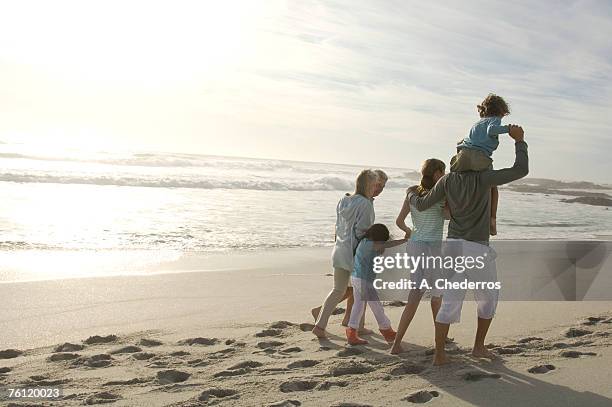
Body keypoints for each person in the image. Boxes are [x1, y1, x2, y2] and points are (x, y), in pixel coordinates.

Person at [408, 125, 528, 365]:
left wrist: (410, 194)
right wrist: (519, 141)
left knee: (449, 300)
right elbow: (520, 170)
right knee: (488, 298)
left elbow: (420, 204)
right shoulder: (484, 178)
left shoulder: (448, 179)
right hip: (477, 249)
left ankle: (440, 354)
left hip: (452, 247)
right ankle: (478, 347)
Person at [311, 169, 388, 330]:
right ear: (370, 184)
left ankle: (320, 325)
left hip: (339, 250)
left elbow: (338, 227)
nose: (378, 188)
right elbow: (362, 232)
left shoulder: (343, 200)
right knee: (360, 290)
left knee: (338, 290)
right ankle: (357, 326)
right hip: (355, 254)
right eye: (376, 184)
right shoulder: (365, 204)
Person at [390, 158, 449, 354]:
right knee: (436, 295)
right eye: (444, 172)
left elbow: (399, 221)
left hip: (414, 246)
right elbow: (449, 216)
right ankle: (441, 336)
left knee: (415, 295)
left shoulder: (412, 192)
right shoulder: (441, 194)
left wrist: (410, 231)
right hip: (431, 249)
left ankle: (397, 344)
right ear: (438, 173)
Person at [451, 94, 520, 235]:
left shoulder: (477, 123)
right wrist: (509, 129)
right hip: (480, 158)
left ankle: (452, 209)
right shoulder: (495, 120)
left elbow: (465, 141)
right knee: (492, 187)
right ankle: (491, 221)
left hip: (462, 155)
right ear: (501, 111)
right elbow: (492, 130)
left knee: (458, 182)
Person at [346, 224, 406, 345]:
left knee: (358, 306)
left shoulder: (364, 242)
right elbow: (387, 245)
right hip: (364, 281)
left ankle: (351, 332)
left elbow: (382, 248)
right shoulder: (369, 245)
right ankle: (386, 330)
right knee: (376, 306)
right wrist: (404, 240)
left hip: (356, 278)